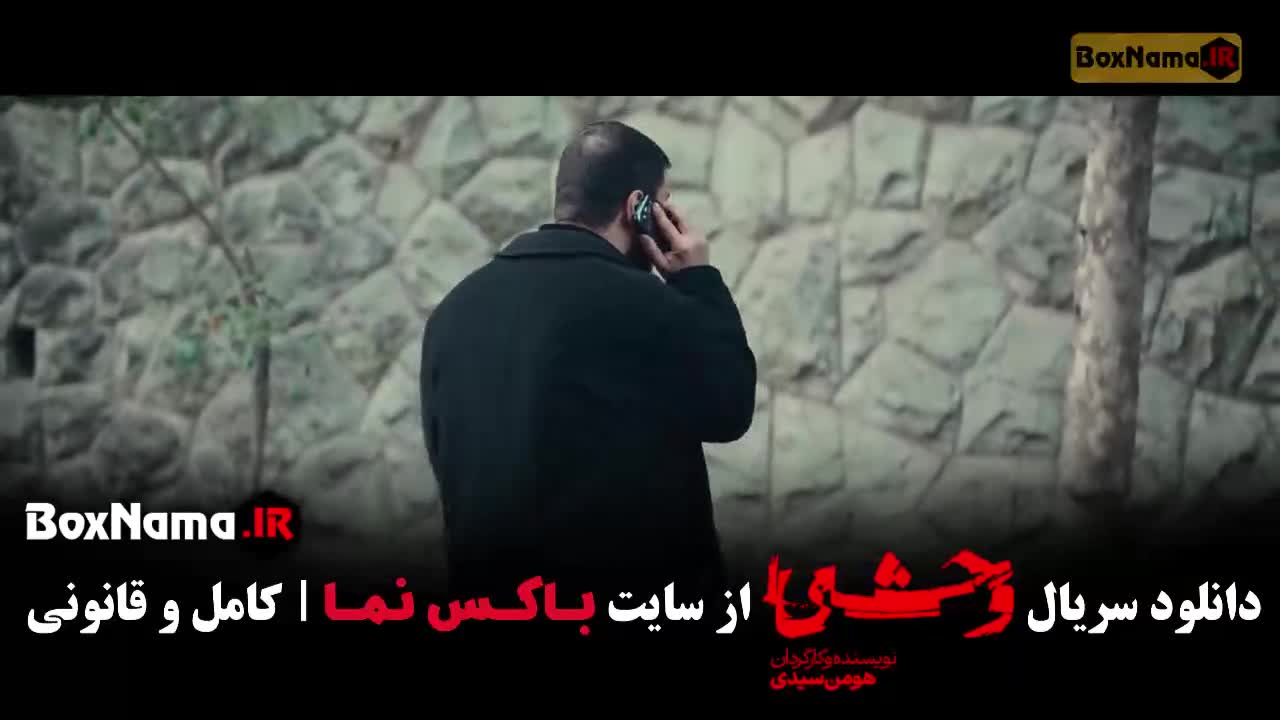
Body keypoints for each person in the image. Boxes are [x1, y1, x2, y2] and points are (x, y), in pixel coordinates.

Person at [419, 120, 757, 605]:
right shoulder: (647, 306)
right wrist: (699, 280)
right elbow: (730, 408)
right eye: (662, 205)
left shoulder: (451, 315)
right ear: (638, 208)